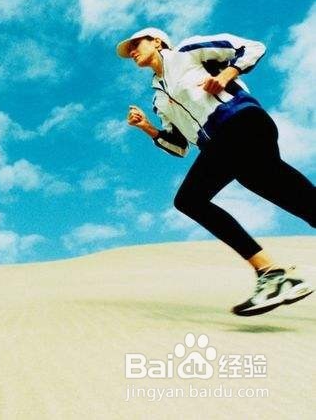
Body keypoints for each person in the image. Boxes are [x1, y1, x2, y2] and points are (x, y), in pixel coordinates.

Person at [118, 27, 315, 316]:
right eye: (130, 50)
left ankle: (271, 275)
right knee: (302, 202)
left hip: (241, 123)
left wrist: (226, 76)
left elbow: (252, 46)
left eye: (136, 44)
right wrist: (147, 127)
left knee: (189, 200)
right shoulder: (159, 99)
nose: (132, 51)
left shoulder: (187, 52)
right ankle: (277, 278)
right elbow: (179, 147)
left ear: (157, 41)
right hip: (224, 148)